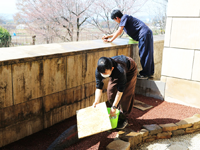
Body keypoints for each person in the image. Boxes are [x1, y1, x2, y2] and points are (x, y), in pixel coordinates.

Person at [102, 9, 154, 79]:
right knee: (148, 53)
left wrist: (111, 40)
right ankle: (150, 72)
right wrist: (107, 36)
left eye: (115, 20)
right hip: (146, 33)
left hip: (144, 34)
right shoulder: (125, 20)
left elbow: (119, 31)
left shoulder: (124, 17)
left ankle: (145, 74)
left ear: (116, 18)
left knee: (144, 54)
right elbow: (117, 32)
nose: (116, 22)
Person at [93, 55, 137, 129]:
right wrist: (96, 101)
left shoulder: (120, 70)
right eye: (102, 74)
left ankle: (123, 118)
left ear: (112, 68)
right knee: (110, 91)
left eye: (105, 74)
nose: (104, 76)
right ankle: (113, 112)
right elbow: (99, 87)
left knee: (126, 94)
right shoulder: (99, 70)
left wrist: (114, 106)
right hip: (116, 71)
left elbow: (120, 90)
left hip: (129, 69)